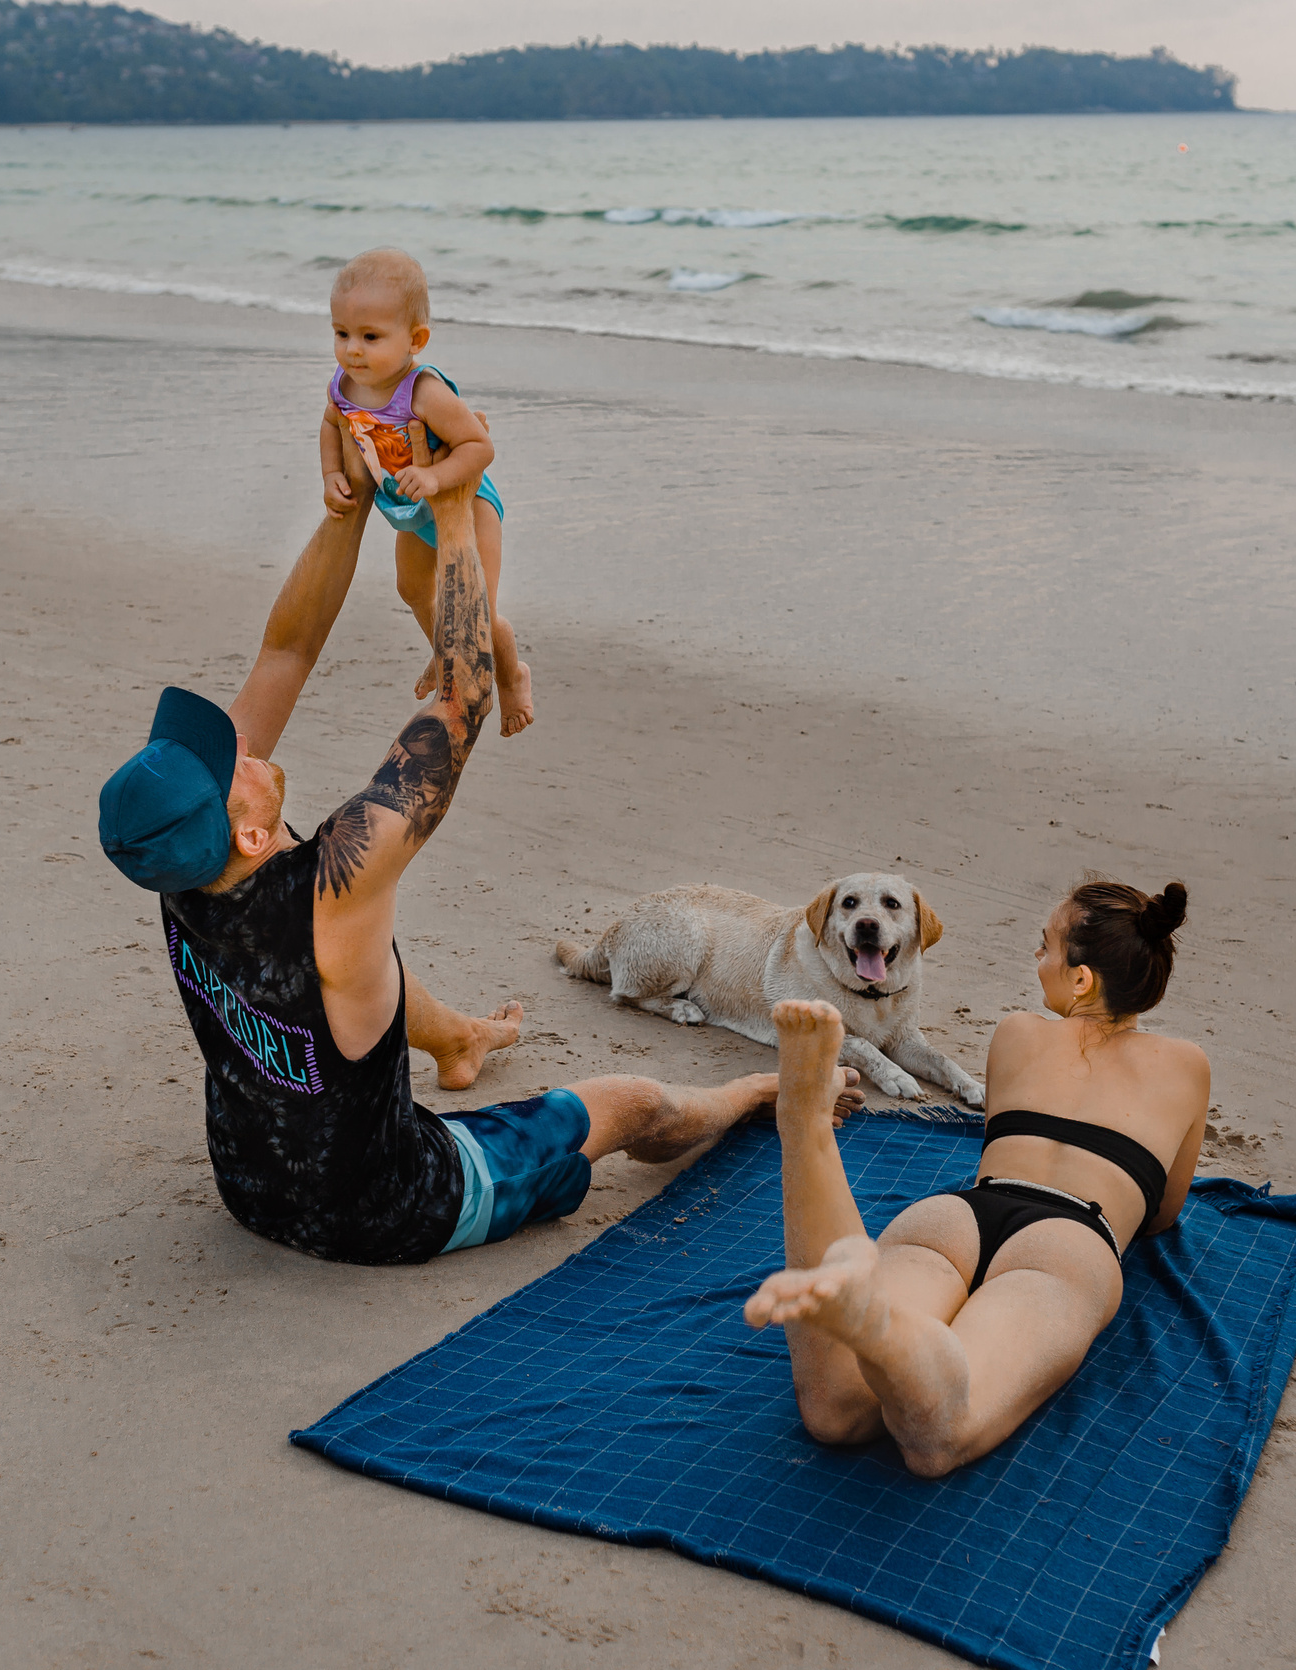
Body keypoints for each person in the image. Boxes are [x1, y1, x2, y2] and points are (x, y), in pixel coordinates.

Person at [99, 463, 853, 1264]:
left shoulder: (174, 863)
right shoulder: (337, 884)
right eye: (231, 764)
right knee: (633, 1103)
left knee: (355, 977)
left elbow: (287, 647)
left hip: (249, 1181)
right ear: (249, 834)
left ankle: (459, 1038)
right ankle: (762, 1095)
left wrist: (348, 509)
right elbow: (462, 698)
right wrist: (457, 515)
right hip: (389, 1210)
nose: (241, 745)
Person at [743, 880, 1208, 1476]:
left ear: (1083, 979)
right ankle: (885, 1331)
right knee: (937, 1435)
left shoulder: (1017, 1032)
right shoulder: (1188, 1066)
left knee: (836, 1411)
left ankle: (807, 1132)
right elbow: (1163, 1212)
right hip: (1068, 1241)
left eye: (1045, 950)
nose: (1036, 961)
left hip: (957, 1217)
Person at [320, 247, 534, 737]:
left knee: (479, 611)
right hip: (410, 510)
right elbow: (331, 425)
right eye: (342, 334)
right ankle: (442, 653)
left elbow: (480, 447)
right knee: (412, 589)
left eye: (371, 337)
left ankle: (512, 676)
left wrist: (438, 479)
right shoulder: (344, 385)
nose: (353, 349)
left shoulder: (424, 391)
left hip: (467, 503)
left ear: (415, 340)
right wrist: (332, 472)